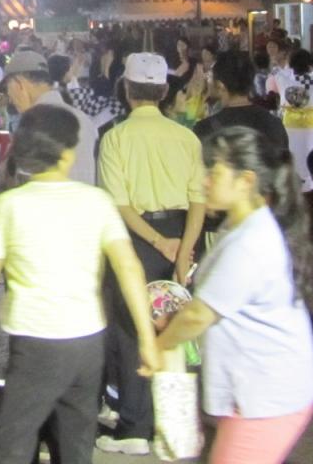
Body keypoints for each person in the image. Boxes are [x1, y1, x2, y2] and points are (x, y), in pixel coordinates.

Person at [0, 106, 159, 464]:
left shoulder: (10, 203)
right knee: (75, 443)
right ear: (68, 152)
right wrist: (147, 339)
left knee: (8, 445)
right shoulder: (97, 200)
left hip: (36, 340)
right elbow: (129, 267)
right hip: (88, 341)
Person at [156, 127, 313, 463]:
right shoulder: (240, 226)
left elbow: (199, 315)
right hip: (258, 392)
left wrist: (158, 347)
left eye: (214, 172)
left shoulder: (250, 242)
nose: (205, 181)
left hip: (268, 398)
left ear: (246, 181)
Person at [95, 53, 206, 456]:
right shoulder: (186, 137)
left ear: (127, 89)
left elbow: (119, 204)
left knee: (130, 331)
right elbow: (198, 200)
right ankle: (175, 428)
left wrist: (157, 242)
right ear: (163, 91)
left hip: (136, 240)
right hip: (182, 235)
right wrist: (183, 249)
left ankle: (135, 427)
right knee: (175, 329)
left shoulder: (115, 137)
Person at [0, 51, 96, 185]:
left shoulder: (33, 126)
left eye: (7, 89)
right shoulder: (83, 119)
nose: (9, 98)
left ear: (18, 84)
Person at [193, 51, 287, 150]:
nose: (207, 80)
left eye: (210, 77)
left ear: (221, 86)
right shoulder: (274, 124)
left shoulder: (204, 130)